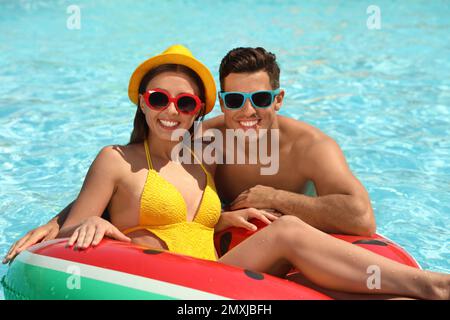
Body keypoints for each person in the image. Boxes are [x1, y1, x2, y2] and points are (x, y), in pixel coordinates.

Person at [3, 44, 449, 299]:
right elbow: (109, 192)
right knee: (289, 233)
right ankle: (432, 286)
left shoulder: (224, 151)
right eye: (159, 99)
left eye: (185, 103)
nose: (171, 111)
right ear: (142, 100)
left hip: (218, 268)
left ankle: (416, 290)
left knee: (291, 235)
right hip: (171, 277)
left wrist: (245, 208)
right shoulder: (163, 150)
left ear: (278, 99)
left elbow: (360, 218)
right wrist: (60, 221)